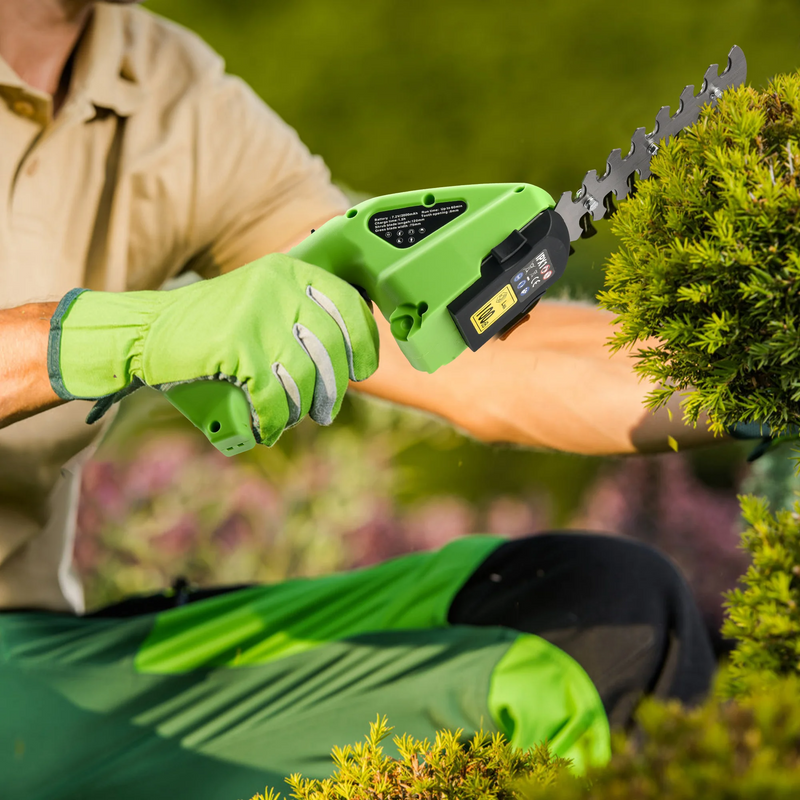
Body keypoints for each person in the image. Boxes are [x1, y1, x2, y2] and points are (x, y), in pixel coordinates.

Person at [0, 1, 719, 797]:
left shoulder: (158, 84)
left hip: (34, 669)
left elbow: (427, 336)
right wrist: (104, 338)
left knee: (600, 617)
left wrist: (738, 368)